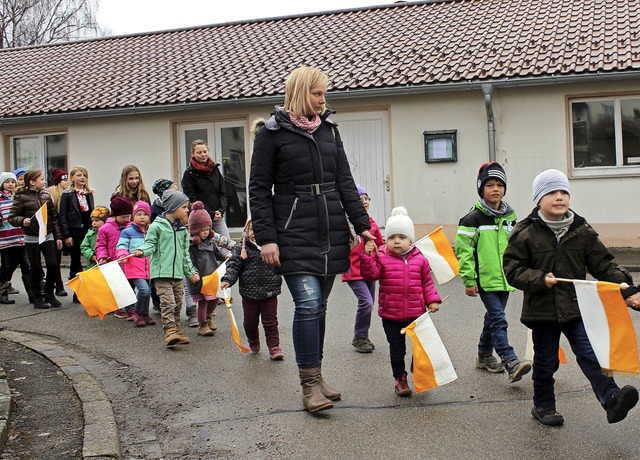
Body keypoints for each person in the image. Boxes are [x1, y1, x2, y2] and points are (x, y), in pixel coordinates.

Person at [249, 66, 373, 413]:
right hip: (291, 232)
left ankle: (317, 377)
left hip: (331, 229)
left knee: (319, 307)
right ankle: (308, 387)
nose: (323, 100)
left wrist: (361, 224)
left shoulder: (330, 132)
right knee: (306, 305)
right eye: (317, 93)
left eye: (324, 94)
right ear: (301, 92)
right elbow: (258, 190)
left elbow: (345, 181)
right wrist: (267, 238)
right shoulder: (271, 134)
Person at [503, 168, 639, 427]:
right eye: (552, 192)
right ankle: (543, 405)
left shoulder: (581, 230)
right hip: (541, 310)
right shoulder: (526, 231)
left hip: (577, 308)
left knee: (590, 353)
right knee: (546, 361)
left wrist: (626, 288)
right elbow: (512, 270)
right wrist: (540, 278)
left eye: (564, 191)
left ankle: (611, 399)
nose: (559, 197)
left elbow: (604, 264)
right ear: (538, 199)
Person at [454, 162, 531, 382]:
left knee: (492, 318)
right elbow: (464, 251)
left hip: (505, 278)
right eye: (489, 185)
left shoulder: (510, 218)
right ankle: (510, 360)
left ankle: (484, 355)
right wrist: (469, 280)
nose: (495, 189)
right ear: (481, 189)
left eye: (499, 184)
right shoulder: (472, 220)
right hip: (485, 280)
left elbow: (518, 247)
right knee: (499, 319)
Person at [360, 206, 442, 397]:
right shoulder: (382, 257)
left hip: (417, 315)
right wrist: (367, 256)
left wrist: (432, 300)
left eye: (402, 237)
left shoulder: (420, 260)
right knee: (397, 350)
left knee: (420, 348)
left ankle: (418, 370)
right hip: (391, 315)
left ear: (410, 240)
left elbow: (427, 284)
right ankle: (400, 378)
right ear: (386, 240)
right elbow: (371, 274)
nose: (397, 241)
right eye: (392, 237)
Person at [134, 189, 199, 347]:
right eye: (184, 207)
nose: (187, 210)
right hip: (161, 273)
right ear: (172, 207)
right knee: (168, 303)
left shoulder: (183, 230)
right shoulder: (157, 226)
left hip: (177, 274)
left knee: (178, 303)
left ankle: (176, 330)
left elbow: (185, 254)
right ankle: (169, 331)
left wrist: (190, 272)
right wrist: (141, 251)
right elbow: (150, 245)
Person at [220, 218, 284, 359]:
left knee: (271, 322)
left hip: (270, 291)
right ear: (246, 231)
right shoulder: (242, 248)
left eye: (259, 229)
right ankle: (253, 339)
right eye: (251, 229)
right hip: (249, 293)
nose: (254, 233)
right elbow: (234, 265)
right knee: (250, 322)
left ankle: (274, 347)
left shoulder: (273, 246)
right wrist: (227, 280)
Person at [9, 169, 63, 309]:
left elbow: (54, 217)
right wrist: (22, 220)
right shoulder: (21, 197)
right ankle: (37, 297)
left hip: (48, 234)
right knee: (36, 267)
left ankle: (49, 294)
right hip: (32, 236)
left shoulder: (46, 195)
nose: (45, 182)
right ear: (32, 182)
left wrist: (58, 237)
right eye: (42, 179)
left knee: (52, 264)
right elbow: (12, 217)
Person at [342, 185, 384, 353]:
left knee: (369, 304)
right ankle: (360, 336)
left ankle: (363, 336)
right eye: (360, 199)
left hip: (370, 269)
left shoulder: (372, 223)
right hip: (353, 269)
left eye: (366, 199)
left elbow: (380, 245)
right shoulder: (347, 224)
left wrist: (380, 256)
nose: (365, 202)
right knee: (366, 302)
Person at [185, 201, 225, 337]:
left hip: (212, 277)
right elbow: (188, 261)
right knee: (203, 302)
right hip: (200, 278)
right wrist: (193, 273)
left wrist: (227, 254)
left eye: (208, 229)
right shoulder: (192, 246)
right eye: (203, 230)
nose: (206, 232)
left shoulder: (211, 242)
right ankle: (202, 324)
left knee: (214, 299)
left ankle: (208, 318)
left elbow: (219, 253)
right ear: (195, 230)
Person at [181, 139, 230, 239]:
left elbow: (222, 192)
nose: (203, 155)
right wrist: (210, 213)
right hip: (201, 220)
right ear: (193, 154)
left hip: (218, 217)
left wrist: (220, 210)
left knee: (227, 244)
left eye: (205, 151)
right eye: (199, 152)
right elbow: (191, 198)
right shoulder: (189, 174)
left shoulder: (215, 170)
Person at [116, 201, 154, 327]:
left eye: (145, 214)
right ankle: (137, 312)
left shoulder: (151, 231)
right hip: (134, 267)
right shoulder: (128, 232)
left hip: (148, 267)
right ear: (133, 216)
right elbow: (121, 245)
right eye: (139, 214)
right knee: (144, 290)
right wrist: (122, 255)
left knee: (147, 291)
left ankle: (145, 313)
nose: (142, 217)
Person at [97, 196, 132, 317]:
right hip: (113, 262)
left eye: (129, 216)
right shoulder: (105, 229)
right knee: (116, 286)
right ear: (115, 215)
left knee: (129, 286)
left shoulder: (131, 226)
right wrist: (102, 256)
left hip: (128, 261)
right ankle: (118, 307)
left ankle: (130, 307)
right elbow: (100, 245)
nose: (127, 219)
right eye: (123, 217)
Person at [59, 166, 95, 281]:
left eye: (84, 175)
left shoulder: (88, 193)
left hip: (86, 229)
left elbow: (91, 212)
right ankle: (76, 287)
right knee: (75, 259)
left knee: (89, 256)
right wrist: (66, 235)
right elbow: (63, 215)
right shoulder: (67, 194)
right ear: (72, 178)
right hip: (73, 230)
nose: (82, 178)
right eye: (79, 175)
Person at [0, 172, 30, 304]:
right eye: (7, 182)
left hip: (21, 237)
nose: (11, 184)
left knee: (25, 264)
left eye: (13, 181)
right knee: (6, 266)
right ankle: (2, 292)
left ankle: (32, 294)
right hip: (5, 239)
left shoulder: (19, 198)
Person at [47, 168, 69, 297]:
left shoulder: (69, 193)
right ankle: (58, 285)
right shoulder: (52, 194)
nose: (67, 182)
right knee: (55, 260)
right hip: (55, 230)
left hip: (66, 229)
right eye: (64, 180)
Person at [80, 206, 109, 270]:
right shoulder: (90, 234)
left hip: (107, 263)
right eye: (92, 221)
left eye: (97, 220)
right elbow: (84, 247)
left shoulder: (109, 232)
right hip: (93, 265)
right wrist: (91, 256)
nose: (94, 223)